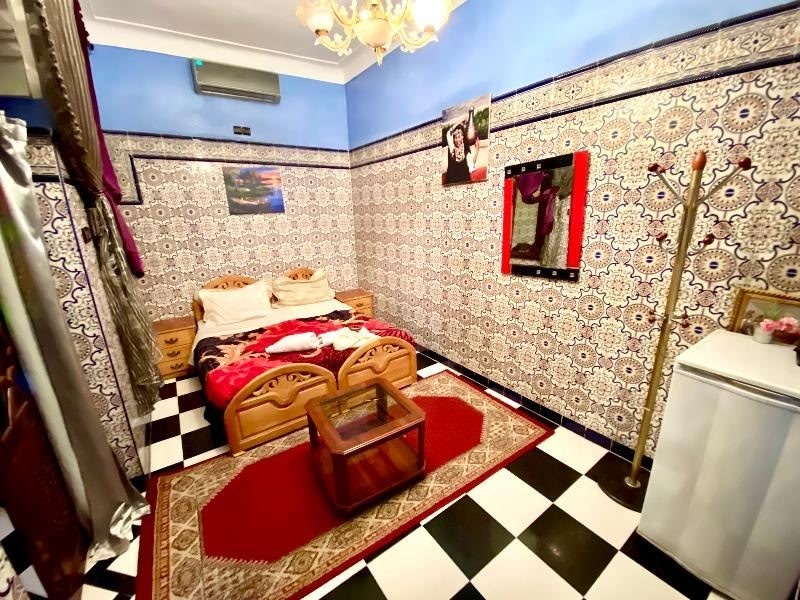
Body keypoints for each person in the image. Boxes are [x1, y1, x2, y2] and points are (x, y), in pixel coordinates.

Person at [443, 120, 479, 184]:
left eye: (459, 137)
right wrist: (459, 122)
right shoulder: (452, 148)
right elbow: (448, 133)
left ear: (462, 137)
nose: (457, 140)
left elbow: (471, 166)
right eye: (455, 137)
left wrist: (477, 150)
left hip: (464, 182)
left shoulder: (466, 151)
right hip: (452, 183)